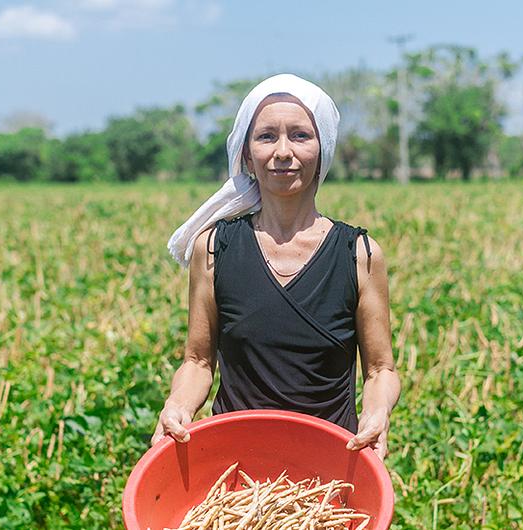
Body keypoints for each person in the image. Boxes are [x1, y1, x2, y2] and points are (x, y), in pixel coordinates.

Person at [151, 74, 400, 460]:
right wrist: (179, 406)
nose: (283, 151)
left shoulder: (359, 255)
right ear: (247, 155)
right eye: (267, 136)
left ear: (323, 149)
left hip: (332, 463)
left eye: (300, 135)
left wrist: (377, 412)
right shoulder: (215, 248)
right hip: (234, 466)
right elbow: (198, 361)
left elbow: (380, 370)